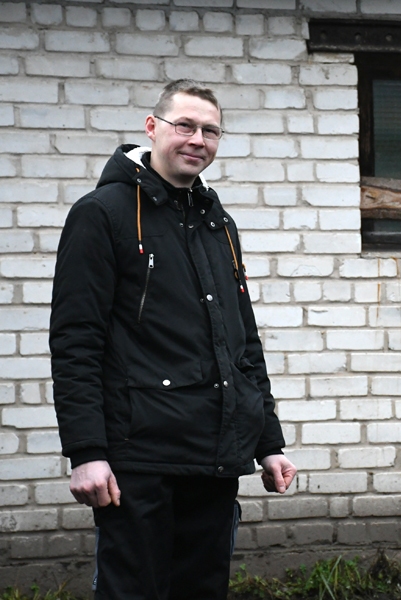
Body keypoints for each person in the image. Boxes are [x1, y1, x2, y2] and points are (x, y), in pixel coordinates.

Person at [50, 79, 296, 600]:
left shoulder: (217, 222)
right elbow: (76, 340)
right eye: (184, 125)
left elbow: (242, 342)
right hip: (138, 462)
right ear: (152, 127)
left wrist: (268, 442)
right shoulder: (103, 214)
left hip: (214, 457)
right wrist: (86, 451)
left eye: (210, 130)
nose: (197, 139)